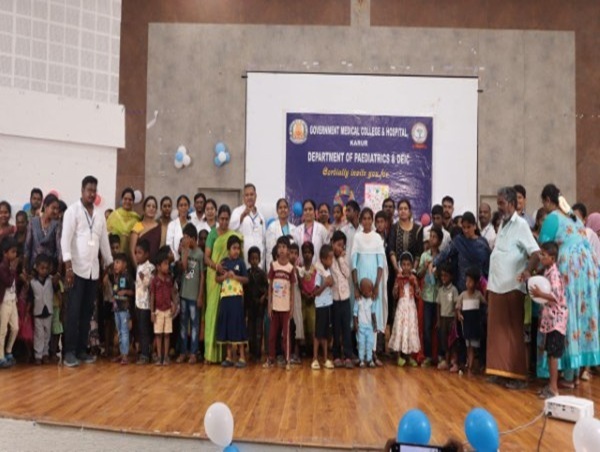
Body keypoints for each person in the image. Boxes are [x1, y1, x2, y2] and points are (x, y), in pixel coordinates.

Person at [537, 184, 600, 387]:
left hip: (569, 266)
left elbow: (543, 247)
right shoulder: (572, 214)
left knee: (565, 312)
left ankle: (566, 375)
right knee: (581, 315)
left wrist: (534, 270)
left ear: (548, 201)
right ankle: (577, 373)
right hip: (587, 266)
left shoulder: (553, 217)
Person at [486, 186, 539, 388]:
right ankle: (500, 371)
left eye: (501, 203)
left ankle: (518, 377)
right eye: (498, 203)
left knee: (513, 333)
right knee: (497, 333)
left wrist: (527, 271)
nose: (499, 207)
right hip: (497, 286)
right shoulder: (502, 223)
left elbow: (535, 253)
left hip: (512, 287)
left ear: (511, 203)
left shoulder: (521, 225)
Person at [61, 176, 113, 368]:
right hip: (76, 270)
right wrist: (68, 267)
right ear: (82, 191)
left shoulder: (99, 215)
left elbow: (104, 242)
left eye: (94, 191)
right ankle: (69, 352)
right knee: (73, 312)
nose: (92, 194)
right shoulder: (72, 211)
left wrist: (109, 262)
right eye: (89, 190)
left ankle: (82, 350)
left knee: (87, 313)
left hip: (93, 272)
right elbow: (65, 240)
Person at [531, 242, 568, 399]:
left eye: (544, 255)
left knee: (553, 355)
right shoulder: (546, 271)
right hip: (550, 320)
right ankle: (551, 385)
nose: (541, 257)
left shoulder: (554, 275)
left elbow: (556, 296)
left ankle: (554, 388)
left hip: (557, 321)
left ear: (552, 258)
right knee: (550, 353)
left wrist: (540, 294)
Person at [204, 205, 240, 363]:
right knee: (212, 313)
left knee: (224, 315)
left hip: (229, 281)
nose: (224, 222)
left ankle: (225, 354)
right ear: (218, 218)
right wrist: (216, 266)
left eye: (227, 219)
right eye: (222, 219)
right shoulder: (212, 234)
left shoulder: (232, 236)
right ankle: (209, 354)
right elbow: (206, 257)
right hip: (214, 277)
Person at [352, 208, 387, 366]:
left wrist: (377, 285)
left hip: (374, 282)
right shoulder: (357, 237)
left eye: (369, 218)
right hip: (361, 281)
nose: (366, 221)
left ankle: (373, 354)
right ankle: (362, 355)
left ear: (372, 220)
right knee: (361, 317)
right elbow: (354, 264)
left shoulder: (377, 238)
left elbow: (380, 264)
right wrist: (356, 286)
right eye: (364, 218)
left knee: (373, 317)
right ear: (361, 220)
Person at [433, 212, 491, 293]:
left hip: (479, 286)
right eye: (464, 227)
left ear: (474, 226)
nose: (466, 230)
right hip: (463, 286)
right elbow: (445, 253)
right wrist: (433, 263)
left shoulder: (483, 244)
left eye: (468, 227)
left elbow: (488, 266)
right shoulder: (458, 241)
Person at [388, 199, 423, 326]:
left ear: (410, 211)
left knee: (411, 305)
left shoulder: (418, 229)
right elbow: (391, 250)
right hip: (397, 273)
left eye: (405, 208)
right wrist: (397, 270)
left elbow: (419, 253)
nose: (403, 211)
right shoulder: (394, 228)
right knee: (396, 304)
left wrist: (412, 271)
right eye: (400, 209)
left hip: (412, 275)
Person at [216, 235, 249, 368]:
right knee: (227, 324)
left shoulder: (241, 263)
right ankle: (229, 356)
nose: (236, 251)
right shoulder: (223, 262)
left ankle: (242, 357)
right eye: (234, 248)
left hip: (236, 298)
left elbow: (246, 279)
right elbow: (217, 279)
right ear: (228, 249)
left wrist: (235, 277)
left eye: (238, 248)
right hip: (225, 298)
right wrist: (224, 276)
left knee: (238, 324)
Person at [265, 236, 295, 370]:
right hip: (275, 308)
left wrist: (292, 307)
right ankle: (271, 358)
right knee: (272, 335)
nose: (281, 249)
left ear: (288, 250)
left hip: (286, 308)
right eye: (279, 247)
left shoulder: (290, 268)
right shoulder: (273, 266)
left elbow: (292, 289)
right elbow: (270, 286)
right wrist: (269, 305)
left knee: (286, 337)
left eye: (284, 247)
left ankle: (287, 360)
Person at [178, 223, 204, 364]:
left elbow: (202, 276)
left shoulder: (199, 254)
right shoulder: (184, 251)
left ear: (193, 238)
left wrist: (200, 296)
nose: (185, 239)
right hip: (184, 294)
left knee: (194, 325)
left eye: (187, 237)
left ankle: (193, 352)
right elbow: (184, 268)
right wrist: (185, 251)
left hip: (194, 295)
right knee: (183, 323)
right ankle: (183, 352)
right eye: (184, 237)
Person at [388, 252, 421, 366]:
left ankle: (408, 356)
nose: (406, 267)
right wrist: (396, 287)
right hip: (402, 307)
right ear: (400, 266)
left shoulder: (413, 278)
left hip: (411, 307)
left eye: (408, 265)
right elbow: (394, 295)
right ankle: (398, 357)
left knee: (410, 330)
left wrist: (415, 285)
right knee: (400, 329)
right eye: (404, 264)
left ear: (412, 266)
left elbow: (418, 294)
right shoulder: (398, 278)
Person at [418, 227, 442, 367]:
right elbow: (419, 274)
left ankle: (439, 355)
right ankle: (427, 355)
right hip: (427, 295)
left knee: (438, 327)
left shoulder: (442, 256)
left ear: (439, 240)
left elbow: (444, 277)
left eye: (434, 236)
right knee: (426, 327)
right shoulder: (424, 256)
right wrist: (424, 267)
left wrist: (437, 272)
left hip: (439, 297)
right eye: (430, 236)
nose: (431, 239)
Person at [330, 230, 354, 369]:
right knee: (336, 328)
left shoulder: (343, 258)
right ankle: (336, 356)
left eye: (342, 246)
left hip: (345, 298)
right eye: (338, 245)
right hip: (334, 298)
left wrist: (340, 258)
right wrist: (334, 258)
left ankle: (348, 356)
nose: (340, 248)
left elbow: (347, 273)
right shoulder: (328, 258)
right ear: (332, 243)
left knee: (346, 328)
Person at [456, 267, 486, 375]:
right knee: (468, 346)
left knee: (473, 346)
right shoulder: (463, 295)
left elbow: (485, 302)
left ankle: (471, 367)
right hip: (466, 324)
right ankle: (469, 365)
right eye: (467, 281)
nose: (468, 283)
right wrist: (459, 314)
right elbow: (458, 307)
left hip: (475, 324)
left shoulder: (478, 295)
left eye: (471, 281)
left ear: (476, 283)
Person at [23, 194, 62, 276]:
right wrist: (25, 268)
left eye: (57, 209)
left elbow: (59, 250)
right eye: (53, 208)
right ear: (45, 206)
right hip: (34, 267)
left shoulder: (57, 225)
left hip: (50, 268)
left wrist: (58, 273)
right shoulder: (33, 222)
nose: (56, 211)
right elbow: (27, 246)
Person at [151, 251, 178, 365]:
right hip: (158, 310)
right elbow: (152, 296)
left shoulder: (169, 279)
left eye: (168, 264)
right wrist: (152, 312)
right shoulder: (154, 280)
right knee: (158, 334)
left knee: (167, 334)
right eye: (165, 264)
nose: (167, 266)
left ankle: (166, 356)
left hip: (167, 310)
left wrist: (174, 304)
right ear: (158, 267)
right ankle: (159, 356)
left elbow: (172, 293)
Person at [230, 183, 266, 268]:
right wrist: (242, 216)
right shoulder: (237, 211)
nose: (249, 197)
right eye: (247, 195)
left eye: (251, 194)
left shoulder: (261, 216)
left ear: (256, 196)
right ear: (243, 197)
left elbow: (263, 240)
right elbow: (230, 228)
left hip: (259, 259)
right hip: (243, 257)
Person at [311, 244, 334, 370]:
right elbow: (316, 292)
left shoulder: (328, 271)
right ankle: (315, 358)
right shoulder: (319, 274)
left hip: (328, 304)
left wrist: (330, 283)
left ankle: (325, 358)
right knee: (318, 333)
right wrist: (325, 284)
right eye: (329, 258)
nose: (331, 261)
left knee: (325, 334)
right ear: (323, 259)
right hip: (321, 306)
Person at [30, 254, 54, 365]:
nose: (44, 271)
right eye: (42, 268)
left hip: (48, 311)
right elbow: (31, 298)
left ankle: (45, 353)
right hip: (38, 312)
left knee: (47, 333)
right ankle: (38, 354)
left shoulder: (51, 280)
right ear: (36, 267)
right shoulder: (32, 282)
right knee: (39, 334)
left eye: (46, 268)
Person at [110, 253, 134, 365]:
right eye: (114, 262)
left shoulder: (128, 276)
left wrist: (125, 291)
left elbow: (133, 291)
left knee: (124, 331)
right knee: (119, 331)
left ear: (125, 264)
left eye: (118, 262)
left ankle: (125, 354)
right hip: (116, 308)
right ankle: (121, 353)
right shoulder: (116, 277)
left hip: (124, 309)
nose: (115, 265)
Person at [245, 246, 268, 362]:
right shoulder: (246, 273)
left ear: (259, 259)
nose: (254, 261)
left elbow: (268, 287)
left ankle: (258, 353)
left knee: (259, 330)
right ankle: (252, 352)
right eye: (252, 259)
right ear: (249, 260)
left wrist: (264, 297)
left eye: (256, 259)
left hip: (260, 306)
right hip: (250, 306)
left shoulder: (262, 273)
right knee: (250, 330)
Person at [134, 239, 154, 365]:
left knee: (145, 329)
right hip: (138, 303)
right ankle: (143, 351)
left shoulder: (150, 267)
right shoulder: (138, 266)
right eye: (136, 252)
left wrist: (144, 279)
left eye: (140, 253)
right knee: (140, 329)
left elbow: (151, 285)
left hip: (146, 304)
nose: (137, 255)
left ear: (147, 254)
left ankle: (146, 354)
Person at [436, 264, 459, 371]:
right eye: (442, 276)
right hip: (443, 318)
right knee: (444, 341)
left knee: (453, 342)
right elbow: (438, 305)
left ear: (451, 276)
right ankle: (446, 361)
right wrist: (438, 320)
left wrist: (455, 321)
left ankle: (454, 362)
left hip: (451, 319)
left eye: (446, 276)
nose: (443, 278)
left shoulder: (454, 290)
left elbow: (455, 306)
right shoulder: (440, 290)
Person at [0, 237, 19, 368]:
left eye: (15, 251)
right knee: (3, 330)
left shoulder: (12, 267)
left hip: (13, 300)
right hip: (4, 302)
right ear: (5, 253)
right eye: (12, 252)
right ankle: (1, 356)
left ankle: (8, 351)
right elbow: (7, 282)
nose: (15, 254)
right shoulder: (2, 267)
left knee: (15, 328)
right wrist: (12, 270)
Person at [106, 188, 141, 258]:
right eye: (125, 199)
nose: (127, 201)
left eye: (130, 200)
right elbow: (106, 235)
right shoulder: (113, 216)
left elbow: (139, 239)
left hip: (130, 256)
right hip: (114, 255)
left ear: (133, 201)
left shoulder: (137, 219)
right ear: (122, 200)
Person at [294, 199, 329, 265]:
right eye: (305, 210)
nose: (308, 212)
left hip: (318, 268)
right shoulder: (297, 230)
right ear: (303, 212)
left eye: (310, 209)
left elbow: (327, 250)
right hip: (301, 268)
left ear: (315, 212)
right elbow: (294, 251)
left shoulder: (322, 229)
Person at [265, 198, 296, 269]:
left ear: (288, 210)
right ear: (277, 211)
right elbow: (270, 252)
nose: (283, 210)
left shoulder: (294, 229)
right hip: (276, 266)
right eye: (280, 208)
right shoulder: (272, 227)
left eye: (285, 207)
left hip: (290, 266)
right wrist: (270, 269)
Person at [130, 196, 161, 263]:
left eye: (153, 207)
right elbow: (132, 250)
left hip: (155, 265)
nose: (151, 208)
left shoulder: (159, 227)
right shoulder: (138, 226)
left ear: (156, 210)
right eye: (148, 206)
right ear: (144, 209)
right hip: (139, 265)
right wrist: (138, 267)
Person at [354, 278, 377, 368]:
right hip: (361, 327)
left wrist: (375, 324)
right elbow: (355, 314)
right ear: (363, 290)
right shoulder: (358, 300)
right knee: (361, 343)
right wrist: (356, 325)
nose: (370, 292)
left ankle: (369, 359)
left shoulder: (372, 300)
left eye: (371, 290)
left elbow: (373, 313)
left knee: (370, 343)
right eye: (368, 291)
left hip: (369, 327)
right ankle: (361, 359)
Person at [298, 241, 317, 349]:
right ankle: (303, 347)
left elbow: (317, 283)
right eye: (305, 252)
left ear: (313, 254)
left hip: (313, 299)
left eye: (309, 252)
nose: (307, 255)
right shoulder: (300, 268)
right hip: (303, 298)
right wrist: (303, 293)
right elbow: (299, 283)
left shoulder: (315, 269)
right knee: (303, 321)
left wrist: (313, 294)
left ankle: (311, 347)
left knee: (312, 322)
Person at [288, 242, 304, 364]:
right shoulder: (285, 269)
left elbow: (302, 287)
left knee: (298, 326)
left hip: (297, 302)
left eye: (295, 253)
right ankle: (288, 353)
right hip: (287, 302)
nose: (293, 255)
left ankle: (297, 354)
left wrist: (298, 274)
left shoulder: (299, 270)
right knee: (288, 327)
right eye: (291, 253)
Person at [166, 195, 190, 262]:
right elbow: (169, 244)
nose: (183, 207)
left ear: (188, 207)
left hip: (189, 260)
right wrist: (176, 258)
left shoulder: (191, 224)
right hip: (175, 260)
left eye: (185, 205)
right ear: (177, 207)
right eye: (181, 205)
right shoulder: (172, 225)